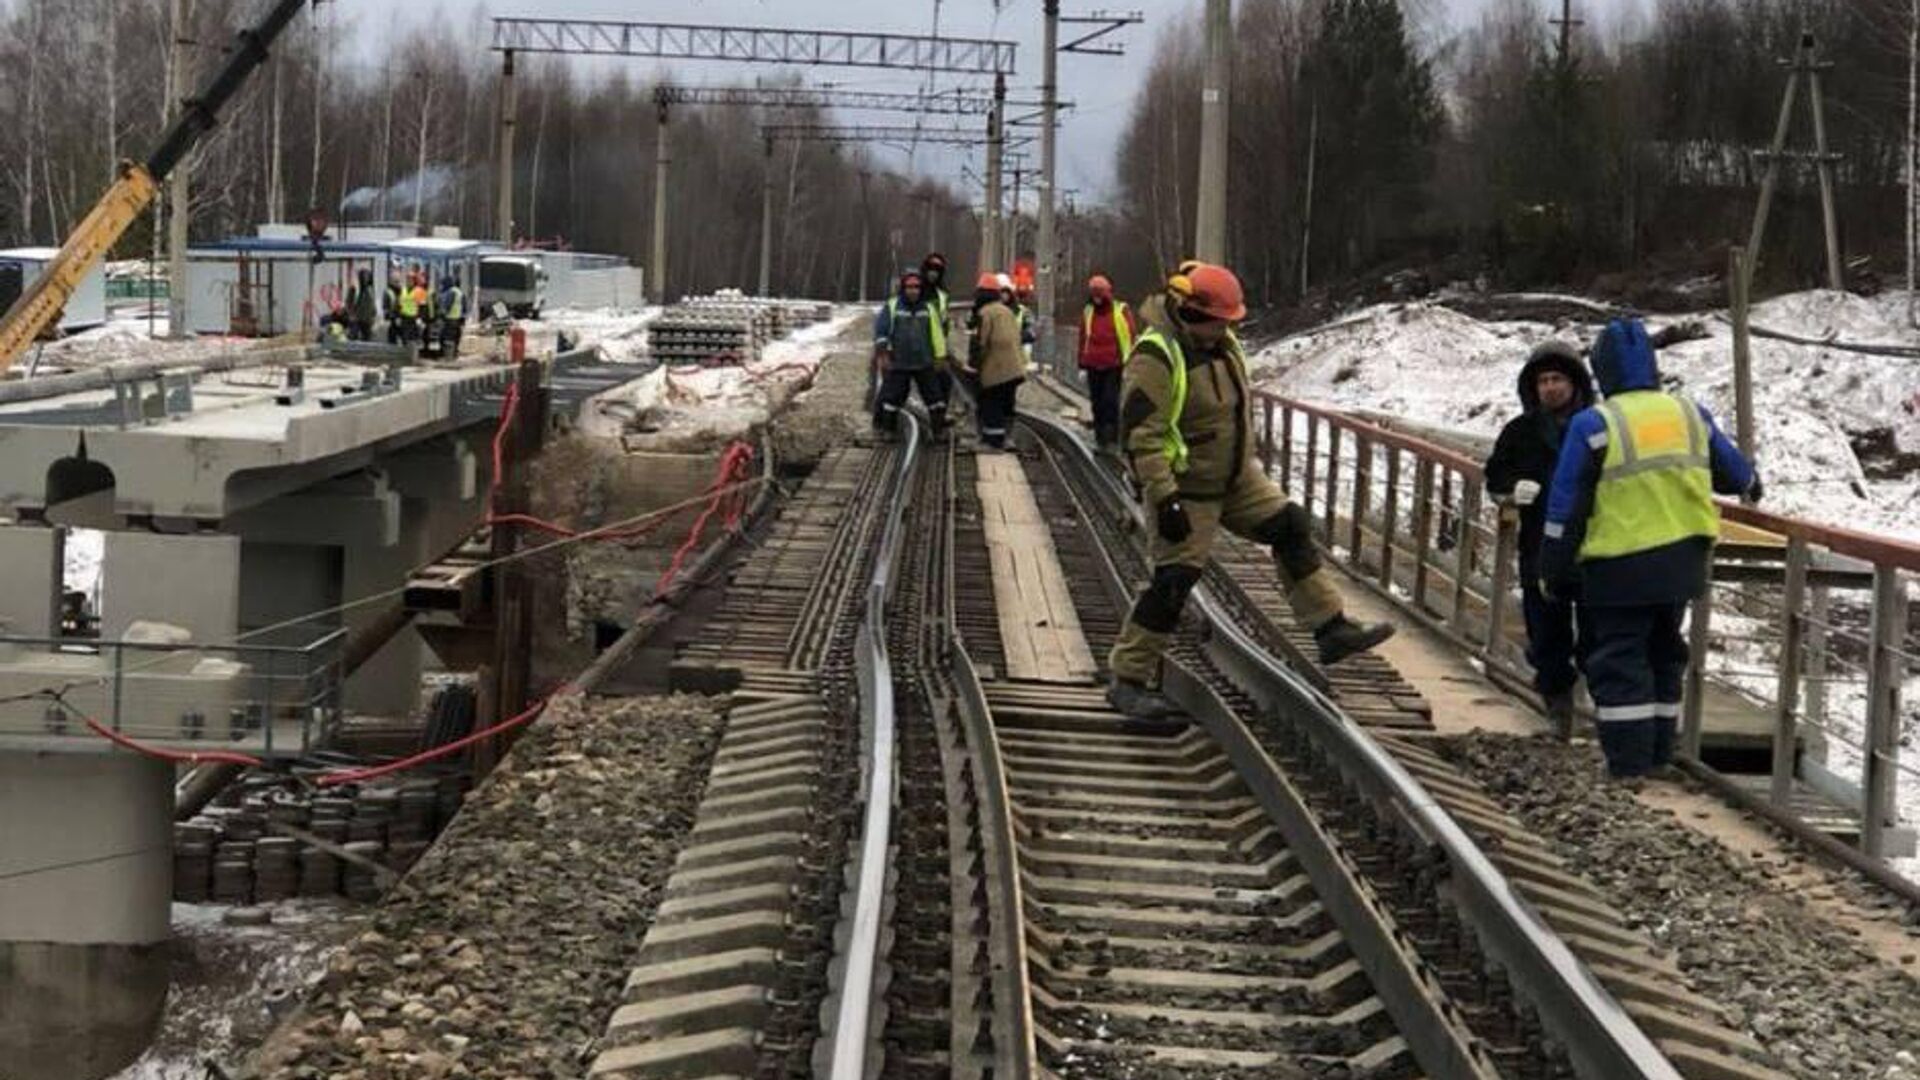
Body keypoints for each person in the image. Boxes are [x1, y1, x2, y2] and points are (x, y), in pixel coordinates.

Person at [1107, 262, 1394, 719]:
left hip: (1237, 479)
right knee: (1173, 580)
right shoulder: (1155, 356)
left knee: (1290, 526)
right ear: (1190, 312)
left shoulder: (1222, 345)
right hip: (1187, 488)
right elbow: (1143, 436)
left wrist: (1244, 465)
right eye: (1220, 321)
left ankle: (1330, 628)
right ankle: (1128, 678)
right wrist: (1164, 497)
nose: (1227, 329)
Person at [1539, 318, 1761, 779]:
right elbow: (1736, 474)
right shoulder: (1689, 414)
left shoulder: (1594, 424)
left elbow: (1566, 505)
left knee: (1619, 659)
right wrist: (1752, 484)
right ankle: (1661, 755)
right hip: (1683, 563)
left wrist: (1553, 569)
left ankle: (1628, 764)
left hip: (1619, 565)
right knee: (1665, 654)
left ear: (1601, 371)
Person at [1483, 342, 1596, 731]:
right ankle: (1558, 709)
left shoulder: (1599, 427)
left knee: (1597, 635)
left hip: (1592, 544)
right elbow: (1494, 476)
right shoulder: (1520, 431)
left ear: (1575, 382)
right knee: (1546, 633)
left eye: (1557, 379)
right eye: (1543, 381)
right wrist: (1511, 491)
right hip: (1539, 546)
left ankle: (1602, 715)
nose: (1550, 388)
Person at [872, 268, 950, 437]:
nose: (913, 290)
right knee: (891, 399)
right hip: (899, 362)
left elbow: (936, 335)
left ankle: (938, 431)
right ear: (903, 288)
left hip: (924, 362)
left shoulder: (928, 309)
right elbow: (882, 331)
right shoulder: (892, 306)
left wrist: (940, 357)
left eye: (916, 287)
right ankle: (888, 430)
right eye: (909, 287)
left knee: (935, 399)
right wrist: (883, 354)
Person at [1078, 273, 1137, 451]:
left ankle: (1111, 438)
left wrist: (1129, 360)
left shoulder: (1121, 310)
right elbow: (1083, 337)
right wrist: (1081, 362)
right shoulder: (1088, 312)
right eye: (1094, 294)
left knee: (1110, 401)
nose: (1096, 298)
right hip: (1093, 363)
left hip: (1114, 364)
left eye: (1099, 294)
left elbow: (1131, 334)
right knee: (1097, 402)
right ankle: (1101, 437)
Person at [966, 272, 1024, 449]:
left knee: (991, 403)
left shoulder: (985, 313)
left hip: (995, 370)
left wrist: (973, 365)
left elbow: (981, 342)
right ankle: (1007, 438)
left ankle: (993, 441)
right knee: (1007, 403)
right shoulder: (1008, 311)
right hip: (1014, 368)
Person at [345, 268, 379, 342]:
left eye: (367, 277)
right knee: (353, 338)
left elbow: (372, 304)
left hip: (367, 320)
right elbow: (348, 302)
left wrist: (374, 315)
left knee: (367, 339)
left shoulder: (369, 290)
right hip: (356, 318)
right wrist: (351, 314)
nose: (365, 279)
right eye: (363, 277)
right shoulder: (355, 288)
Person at [437, 274, 465, 357]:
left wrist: (441, 315)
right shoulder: (460, 292)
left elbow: (447, 306)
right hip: (457, 319)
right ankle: (454, 354)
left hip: (449, 318)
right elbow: (464, 307)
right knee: (455, 338)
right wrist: (463, 318)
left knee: (445, 337)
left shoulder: (450, 292)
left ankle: (447, 357)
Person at [383, 271, 408, 345]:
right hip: (393, 318)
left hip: (403, 318)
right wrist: (389, 315)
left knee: (405, 338)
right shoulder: (388, 291)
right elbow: (385, 306)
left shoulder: (404, 290)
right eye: (394, 281)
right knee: (392, 338)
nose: (397, 283)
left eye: (398, 280)